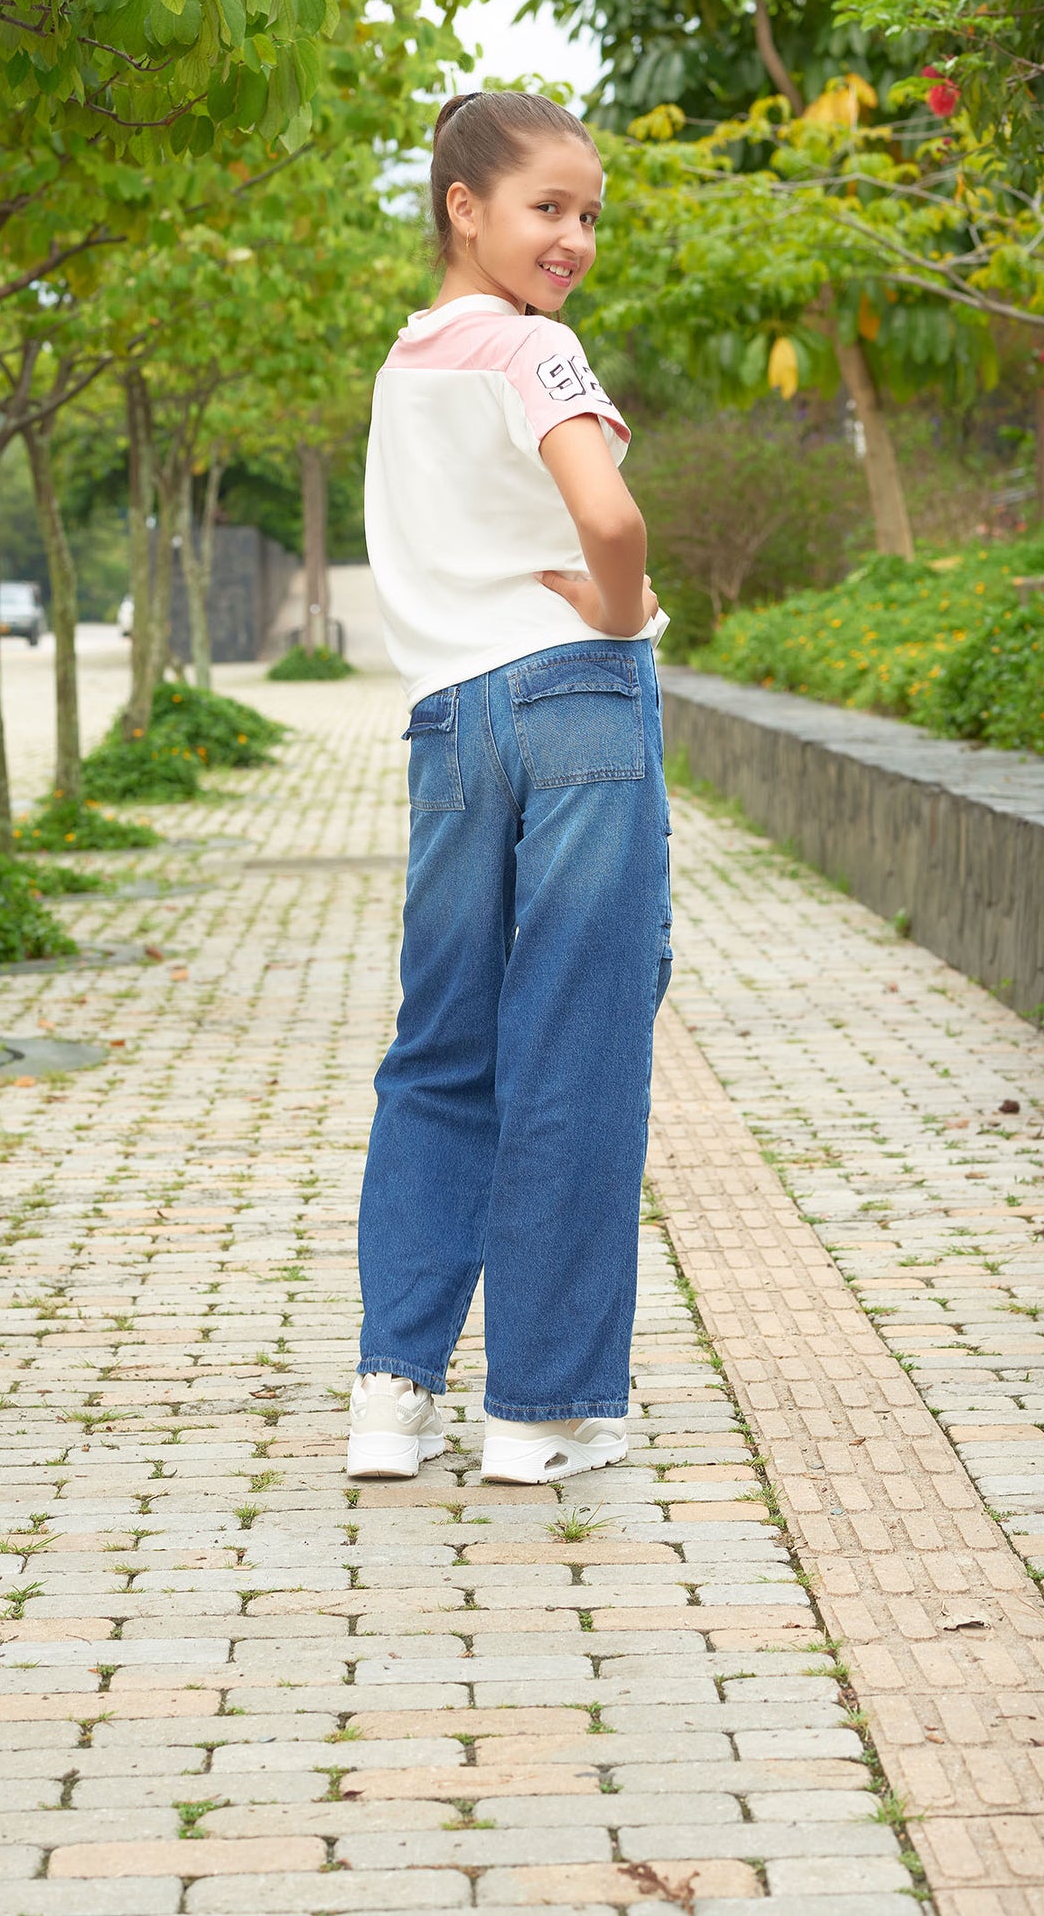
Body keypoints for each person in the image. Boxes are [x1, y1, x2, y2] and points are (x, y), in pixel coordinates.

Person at [348, 90, 672, 1486]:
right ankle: (539, 1413)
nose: (575, 238)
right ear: (460, 206)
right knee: (575, 1042)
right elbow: (606, 514)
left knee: (441, 1047)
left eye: (589, 213)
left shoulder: (405, 364)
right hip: (577, 701)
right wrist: (620, 603)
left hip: (451, 724)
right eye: (548, 206)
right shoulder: (531, 347)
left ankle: (390, 1393)